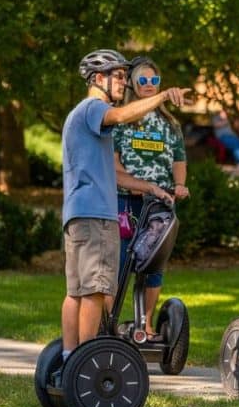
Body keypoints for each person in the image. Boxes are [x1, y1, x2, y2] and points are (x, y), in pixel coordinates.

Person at [59, 49, 189, 367]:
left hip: (79, 213)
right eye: (118, 76)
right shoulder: (94, 108)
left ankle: (68, 358)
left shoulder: (82, 115)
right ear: (98, 79)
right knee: (94, 290)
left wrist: (150, 187)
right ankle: (87, 362)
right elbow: (120, 116)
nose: (123, 82)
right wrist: (160, 98)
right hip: (96, 215)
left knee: (76, 291)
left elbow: (114, 172)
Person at [113, 56, 191, 341]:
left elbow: (178, 159)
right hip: (127, 202)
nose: (148, 85)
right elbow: (114, 163)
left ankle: (144, 324)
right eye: (143, 80)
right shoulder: (122, 120)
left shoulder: (170, 124)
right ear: (133, 83)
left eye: (154, 80)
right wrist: (137, 185)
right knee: (122, 264)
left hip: (160, 204)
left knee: (154, 266)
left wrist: (179, 185)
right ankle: (109, 323)